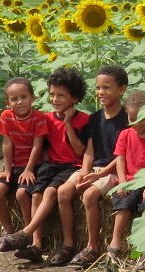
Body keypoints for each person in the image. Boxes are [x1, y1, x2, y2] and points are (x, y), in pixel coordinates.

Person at [0, 67, 89, 263]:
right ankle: (37, 245)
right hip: (51, 166)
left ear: (75, 98)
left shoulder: (83, 120)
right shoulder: (46, 118)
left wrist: (68, 123)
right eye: (52, 94)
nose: (55, 99)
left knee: (48, 193)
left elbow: (80, 152)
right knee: (36, 194)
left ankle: (53, 240)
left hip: (72, 166)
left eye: (61, 95)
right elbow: (38, 144)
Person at [52, 65, 129, 266]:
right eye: (98, 88)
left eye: (106, 88)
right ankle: (68, 244)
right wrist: (86, 171)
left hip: (115, 170)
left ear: (122, 90)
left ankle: (92, 246)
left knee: (89, 195)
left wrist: (99, 174)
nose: (101, 92)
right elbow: (90, 150)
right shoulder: (95, 119)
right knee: (63, 192)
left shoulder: (127, 119)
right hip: (94, 169)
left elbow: (124, 155)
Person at [106, 90, 145, 264]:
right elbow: (120, 159)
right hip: (130, 181)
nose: (136, 124)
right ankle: (115, 244)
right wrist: (123, 181)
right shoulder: (125, 135)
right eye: (132, 120)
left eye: (141, 120)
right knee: (123, 205)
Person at [0, 77, 48, 256]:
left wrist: (29, 169)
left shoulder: (39, 118)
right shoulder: (6, 117)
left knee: (22, 193)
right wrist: (7, 169)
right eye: (14, 99)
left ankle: (26, 234)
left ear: (32, 98)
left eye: (24, 97)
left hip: (33, 166)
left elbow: (37, 146)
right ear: (7, 103)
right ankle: (8, 232)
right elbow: (7, 144)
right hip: (14, 166)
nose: (20, 102)